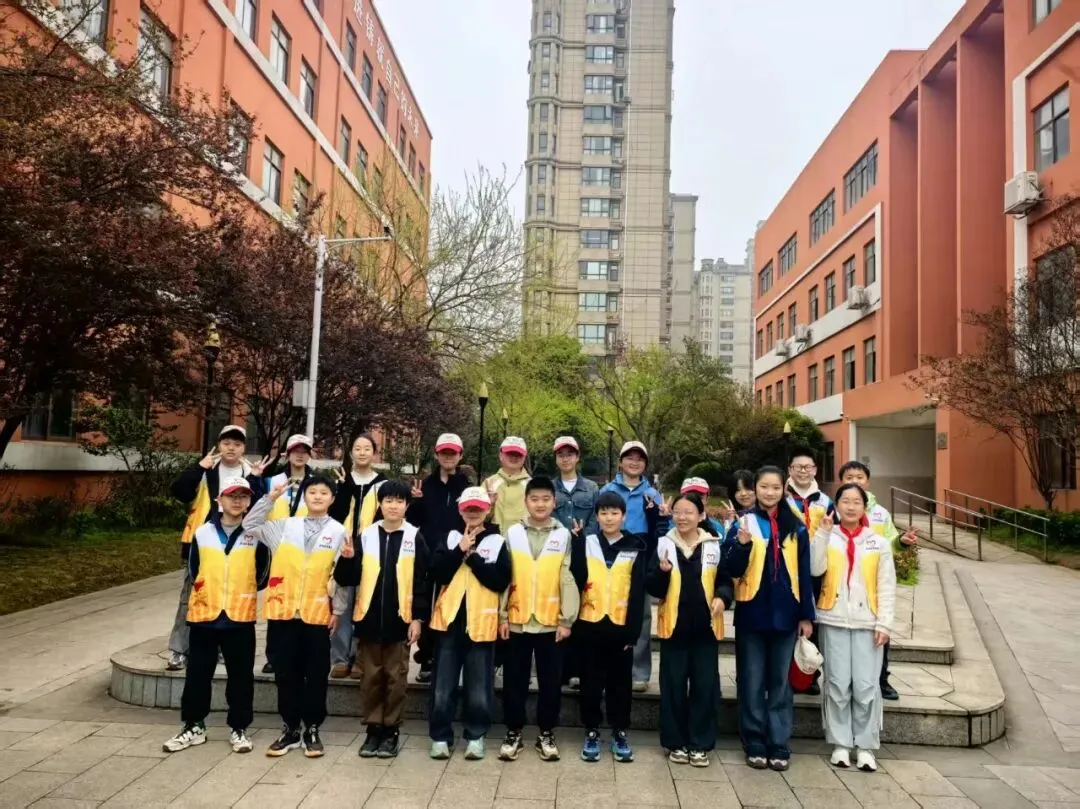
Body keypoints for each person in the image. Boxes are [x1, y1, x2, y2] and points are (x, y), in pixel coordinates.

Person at [241, 475, 348, 759]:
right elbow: (249, 524)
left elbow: (341, 576)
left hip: (317, 614)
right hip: (283, 611)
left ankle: (312, 728)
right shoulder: (285, 526)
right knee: (286, 672)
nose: (317, 497)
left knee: (316, 674)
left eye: (323, 492)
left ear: (332, 499)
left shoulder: (339, 531)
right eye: (312, 492)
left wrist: (338, 611)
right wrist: (270, 498)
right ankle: (290, 728)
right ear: (304, 497)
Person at [162, 477, 270, 755]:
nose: (237, 501)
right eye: (231, 496)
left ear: (249, 502)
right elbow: (194, 569)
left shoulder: (256, 535)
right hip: (204, 615)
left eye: (243, 496)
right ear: (218, 500)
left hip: (239, 616)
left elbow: (262, 574)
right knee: (197, 675)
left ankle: (239, 727)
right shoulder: (202, 532)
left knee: (240, 676)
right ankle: (193, 726)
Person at [723, 466, 816, 772]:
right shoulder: (744, 522)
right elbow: (730, 568)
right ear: (756, 489)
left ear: (783, 489)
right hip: (752, 611)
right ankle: (753, 739)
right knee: (751, 679)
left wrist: (807, 616)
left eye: (775, 487)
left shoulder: (796, 526)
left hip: (786, 613)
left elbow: (804, 573)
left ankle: (778, 740)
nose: (769, 492)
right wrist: (741, 544)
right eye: (764, 487)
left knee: (780, 682)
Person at [332, 479, 429, 758]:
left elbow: (422, 582)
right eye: (388, 501)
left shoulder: (414, 536)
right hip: (369, 620)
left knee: (396, 679)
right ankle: (373, 729)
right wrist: (347, 559)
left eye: (399, 501)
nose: (393, 506)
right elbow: (347, 579)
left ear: (407, 505)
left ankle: (391, 731)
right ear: (380, 504)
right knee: (371, 678)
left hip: (401, 621)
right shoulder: (366, 535)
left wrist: (418, 618)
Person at [166, 425, 268, 671]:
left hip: (239, 545)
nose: (231, 448)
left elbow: (260, 508)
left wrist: (256, 478)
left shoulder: (249, 472)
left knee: (230, 596)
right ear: (219, 445)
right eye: (226, 443)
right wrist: (198, 467)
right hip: (205, 543)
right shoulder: (206, 470)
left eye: (237, 444)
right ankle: (180, 650)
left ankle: (222, 648)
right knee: (191, 595)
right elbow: (179, 491)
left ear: (244, 448)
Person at [811, 483, 896, 773]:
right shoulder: (827, 535)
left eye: (856, 502)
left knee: (866, 685)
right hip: (833, 618)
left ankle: (866, 746)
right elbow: (814, 568)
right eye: (845, 501)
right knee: (837, 684)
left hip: (868, 623)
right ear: (836, 505)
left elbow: (887, 585)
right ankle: (840, 744)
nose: (850, 507)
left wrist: (884, 622)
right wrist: (822, 533)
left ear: (864, 506)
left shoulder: (877, 542)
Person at [498, 476, 580, 763]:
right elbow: (505, 576)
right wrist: (502, 615)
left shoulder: (563, 535)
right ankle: (514, 732)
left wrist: (566, 619)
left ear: (554, 502)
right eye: (534, 499)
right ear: (526, 502)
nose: (540, 504)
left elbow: (566, 577)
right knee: (514, 681)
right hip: (517, 619)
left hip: (550, 622)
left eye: (546, 499)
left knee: (551, 682)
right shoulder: (512, 533)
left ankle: (546, 733)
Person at [648, 493, 732, 768]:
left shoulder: (713, 545)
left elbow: (725, 579)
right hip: (674, 628)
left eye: (688, 512)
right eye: (677, 512)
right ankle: (675, 742)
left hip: (706, 630)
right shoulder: (663, 544)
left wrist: (722, 597)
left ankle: (700, 744)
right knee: (672, 688)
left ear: (701, 515)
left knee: (704, 688)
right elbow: (653, 587)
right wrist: (661, 572)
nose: (682, 517)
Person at [427, 486, 511, 761]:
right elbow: (437, 573)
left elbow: (500, 581)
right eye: (468, 508)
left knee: (479, 686)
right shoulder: (450, 537)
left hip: (481, 622)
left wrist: (473, 558)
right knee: (443, 685)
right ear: (460, 510)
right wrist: (459, 550)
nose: (473, 512)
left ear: (487, 510)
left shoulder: (497, 541)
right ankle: (440, 736)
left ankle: (476, 735)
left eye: (478, 508)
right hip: (449, 622)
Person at [577, 491, 648, 763]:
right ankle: (591, 730)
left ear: (624, 516)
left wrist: (633, 632)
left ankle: (620, 731)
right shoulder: (587, 542)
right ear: (596, 516)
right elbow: (577, 579)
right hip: (590, 623)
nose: (609, 518)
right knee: (590, 682)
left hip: (621, 627)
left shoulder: (635, 546)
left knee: (621, 684)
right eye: (604, 513)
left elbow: (638, 592)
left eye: (614, 513)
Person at [837, 461, 917, 701]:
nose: (854, 480)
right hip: (843, 583)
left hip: (872, 584)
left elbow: (890, 542)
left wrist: (901, 541)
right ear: (841, 482)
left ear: (868, 481)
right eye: (849, 477)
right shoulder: (836, 510)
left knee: (880, 633)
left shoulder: (880, 513)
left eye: (859, 477)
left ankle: (881, 680)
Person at [600, 441, 670, 693]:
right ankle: (607, 668)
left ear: (645, 464)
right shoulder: (607, 490)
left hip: (641, 555)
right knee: (609, 610)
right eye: (629, 457)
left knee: (642, 614)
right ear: (620, 462)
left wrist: (662, 517)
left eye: (639, 459)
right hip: (612, 554)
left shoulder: (652, 493)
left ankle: (639, 672)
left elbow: (661, 528)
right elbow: (598, 523)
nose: (634, 462)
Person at [407, 433, 471, 684]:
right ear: (436, 454)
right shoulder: (425, 486)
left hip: (457, 556)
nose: (448, 457)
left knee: (452, 608)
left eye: (453, 453)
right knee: (428, 606)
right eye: (444, 452)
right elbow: (413, 522)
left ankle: (451, 660)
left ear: (460, 455)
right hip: (428, 555)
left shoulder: (467, 487)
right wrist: (414, 502)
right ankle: (426, 659)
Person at [327, 433, 387, 679]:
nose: (362, 453)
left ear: (375, 453)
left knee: (365, 603)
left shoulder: (383, 484)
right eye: (357, 448)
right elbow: (335, 515)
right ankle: (340, 658)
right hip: (343, 549)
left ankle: (359, 656)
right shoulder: (342, 480)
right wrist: (344, 489)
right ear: (351, 452)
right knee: (341, 602)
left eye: (367, 448)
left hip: (370, 550)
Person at [260, 433, 316, 675]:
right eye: (296, 451)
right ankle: (274, 657)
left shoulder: (316, 484)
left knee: (304, 605)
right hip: (279, 553)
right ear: (287, 454)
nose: (300, 455)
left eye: (304, 451)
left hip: (307, 553)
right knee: (277, 604)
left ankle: (301, 654)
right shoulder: (272, 481)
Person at [785, 448, 835, 696]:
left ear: (815, 470)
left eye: (808, 467)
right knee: (788, 618)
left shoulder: (825, 501)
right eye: (798, 466)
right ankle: (787, 672)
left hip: (816, 568)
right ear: (790, 470)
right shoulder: (783, 498)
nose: (803, 471)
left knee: (811, 619)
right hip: (787, 566)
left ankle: (809, 675)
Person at [551, 436, 597, 689]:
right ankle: (559, 669)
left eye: (570, 454)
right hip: (555, 554)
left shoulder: (591, 488)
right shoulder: (550, 488)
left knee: (579, 610)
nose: (566, 458)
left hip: (583, 555)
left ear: (578, 457)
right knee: (557, 608)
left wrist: (581, 537)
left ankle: (577, 670)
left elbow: (597, 519)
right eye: (561, 454)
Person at [484, 436, 531, 532]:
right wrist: (490, 506)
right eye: (510, 453)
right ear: (500, 455)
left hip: (524, 538)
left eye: (518, 454)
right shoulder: (489, 482)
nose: (514, 457)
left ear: (524, 457)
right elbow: (479, 517)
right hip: (495, 537)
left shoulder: (532, 484)